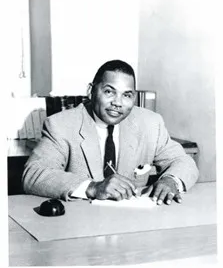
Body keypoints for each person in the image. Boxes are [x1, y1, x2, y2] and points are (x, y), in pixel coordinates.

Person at [22, 60, 199, 205]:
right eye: (109, 92)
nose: (118, 103)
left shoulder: (150, 123)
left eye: (127, 95)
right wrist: (93, 187)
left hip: (132, 224)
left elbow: (183, 161)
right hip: (81, 225)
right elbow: (34, 174)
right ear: (91, 91)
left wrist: (170, 180)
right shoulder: (61, 125)